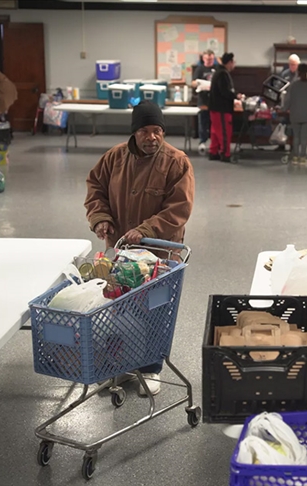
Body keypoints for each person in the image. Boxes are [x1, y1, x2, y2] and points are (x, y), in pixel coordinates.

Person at [84, 101, 195, 395]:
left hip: (158, 256)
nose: (152, 137)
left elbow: (179, 209)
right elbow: (95, 188)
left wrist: (145, 230)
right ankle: (121, 364)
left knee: (154, 309)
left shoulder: (176, 162)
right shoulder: (114, 158)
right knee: (118, 308)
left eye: (157, 131)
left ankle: (151, 368)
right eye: (145, 131)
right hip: (120, 252)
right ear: (134, 133)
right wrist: (101, 219)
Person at [281, 64, 307, 165]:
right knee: (304, 137)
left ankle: (295, 157)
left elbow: (288, 100)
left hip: (295, 114)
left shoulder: (293, 85)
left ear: (298, 72)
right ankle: (303, 157)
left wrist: (284, 109)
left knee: (296, 137)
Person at [209, 52, 242, 163]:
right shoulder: (223, 74)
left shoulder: (217, 72)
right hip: (222, 109)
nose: (234, 64)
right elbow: (225, 91)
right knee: (224, 132)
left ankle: (213, 152)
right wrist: (236, 96)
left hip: (214, 108)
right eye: (233, 62)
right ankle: (225, 154)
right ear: (229, 63)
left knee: (215, 131)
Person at [192, 50, 217, 155]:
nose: (209, 61)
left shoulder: (217, 69)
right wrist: (199, 83)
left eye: (211, 59)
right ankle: (202, 142)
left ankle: (215, 144)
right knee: (203, 122)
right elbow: (193, 83)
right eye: (207, 59)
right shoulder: (200, 69)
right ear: (203, 59)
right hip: (203, 99)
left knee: (215, 122)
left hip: (215, 99)